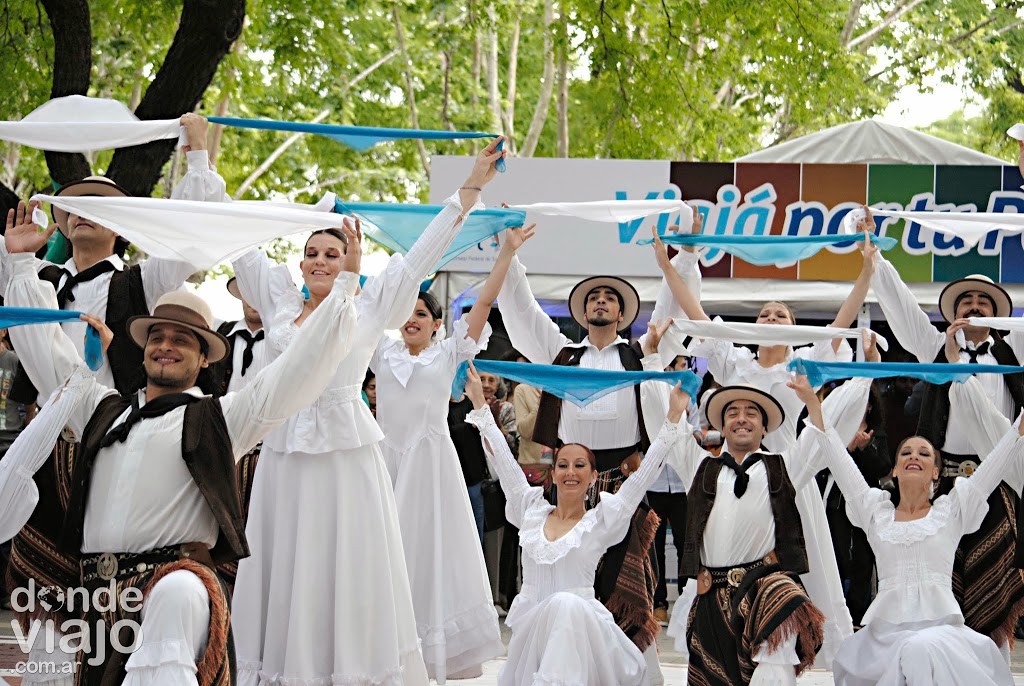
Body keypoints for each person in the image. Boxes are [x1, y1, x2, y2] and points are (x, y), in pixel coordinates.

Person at [2, 218, 363, 684]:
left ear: (205, 357)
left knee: (174, 595)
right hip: (96, 595)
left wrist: (346, 286)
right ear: (143, 349)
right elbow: (46, 351)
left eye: (181, 340)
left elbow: (298, 370)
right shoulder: (100, 408)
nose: (166, 346)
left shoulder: (222, 419)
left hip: (175, 585)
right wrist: (22, 264)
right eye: (157, 338)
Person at [229, 138, 505, 686]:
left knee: (347, 564)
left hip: (347, 455)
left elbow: (427, 249)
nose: (320, 261)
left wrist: (471, 185)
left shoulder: (370, 302)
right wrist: (198, 158)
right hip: (284, 453)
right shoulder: (282, 303)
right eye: (311, 252)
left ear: (350, 258)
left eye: (332, 253)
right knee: (286, 562)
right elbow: (241, 243)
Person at [654, 225, 877, 658]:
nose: (770, 319)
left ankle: (794, 646)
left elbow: (842, 321)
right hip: (735, 479)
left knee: (803, 564)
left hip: (791, 474)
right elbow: (696, 313)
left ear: (794, 329)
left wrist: (866, 271)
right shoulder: (734, 358)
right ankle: (732, 638)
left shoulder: (804, 362)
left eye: (780, 316)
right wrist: (668, 266)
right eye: (764, 315)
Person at [495, 212, 703, 677]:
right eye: (594, 297)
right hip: (567, 483)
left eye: (610, 297)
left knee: (625, 590)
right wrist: (510, 256)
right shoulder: (562, 354)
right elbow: (522, 310)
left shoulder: (640, 354)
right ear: (583, 311)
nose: (602, 302)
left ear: (623, 313)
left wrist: (684, 255)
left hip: (623, 482)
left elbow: (671, 313)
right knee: (559, 587)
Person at [371, 224, 535, 682]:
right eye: (407, 311)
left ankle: (427, 656)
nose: (412, 319)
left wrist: (506, 253)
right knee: (385, 554)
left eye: (422, 313)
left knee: (427, 556)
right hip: (385, 464)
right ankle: (383, 649)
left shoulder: (447, 355)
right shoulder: (381, 353)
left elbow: (483, 303)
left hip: (430, 470)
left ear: (437, 323)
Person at [465, 361, 690, 686]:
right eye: (564, 465)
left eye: (580, 465)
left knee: (567, 604)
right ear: (553, 472)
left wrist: (672, 420)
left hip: (581, 632)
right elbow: (501, 454)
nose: (571, 472)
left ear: (593, 476)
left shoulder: (601, 518)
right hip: (534, 636)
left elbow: (642, 477)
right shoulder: (529, 509)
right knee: (559, 607)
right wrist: (479, 404)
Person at [869, 210, 1024, 651]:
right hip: (946, 482)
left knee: (995, 586)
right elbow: (899, 306)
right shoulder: (938, 349)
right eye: (966, 302)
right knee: (943, 585)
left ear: (997, 315)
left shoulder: (1016, 349)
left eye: (982, 302)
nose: (974, 306)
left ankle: (990, 670)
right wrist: (874, 255)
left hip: (1001, 482)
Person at [826, 333, 1017, 686]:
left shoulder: (952, 509)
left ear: (935, 471)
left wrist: (1020, 427)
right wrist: (861, 374)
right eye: (906, 452)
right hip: (882, 638)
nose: (914, 455)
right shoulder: (874, 512)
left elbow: (998, 460)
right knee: (907, 652)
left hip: (941, 634)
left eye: (924, 453)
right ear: (895, 469)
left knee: (919, 650)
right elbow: (834, 451)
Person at [665, 375, 850, 685]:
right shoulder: (699, 466)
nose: (741, 418)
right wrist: (672, 407)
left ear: (765, 428)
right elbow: (670, 439)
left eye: (751, 412)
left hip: (767, 590)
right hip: (712, 597)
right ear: (721, 428)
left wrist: (813, 403)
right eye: (732, 412)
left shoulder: (784, 466)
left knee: (773, 670)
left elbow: (819, 439)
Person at [208, 277, 266, 590]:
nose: (254, 299)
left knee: (259, 532)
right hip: (221, 450)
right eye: (248, 291)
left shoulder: (285, 338)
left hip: (265, 454)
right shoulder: (220, 335)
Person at [817, 381, 890, 626]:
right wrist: (847, 449)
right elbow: (822, 466)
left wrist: (865, 449)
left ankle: (859, 613)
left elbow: (882, 468)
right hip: (836, 502)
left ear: (870, 407)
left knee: (863, 557)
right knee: (836, 555)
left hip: (867, 504)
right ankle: (835, 613)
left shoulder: (877, 433)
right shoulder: (836, 430)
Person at [646, 354, 697, 626]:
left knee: (685, 542)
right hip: (654, 481)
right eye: (673, 364)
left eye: (682, 364)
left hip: (682, 483)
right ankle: (658, 603)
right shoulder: (650, 393)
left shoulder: (691, 396)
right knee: (653, 547)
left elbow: (701, 431)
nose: (677, 369)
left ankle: (687, 602)